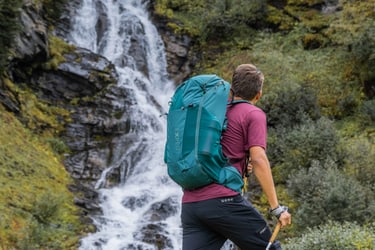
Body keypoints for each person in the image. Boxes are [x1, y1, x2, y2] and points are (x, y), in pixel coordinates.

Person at [181, 64, 292, 250]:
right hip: (223, 203)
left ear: (231, 89)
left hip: (192, 205)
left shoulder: (211, 112)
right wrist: (276, 208)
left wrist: (241, 164)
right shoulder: (253, 114)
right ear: (258, 95)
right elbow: (259, 159)